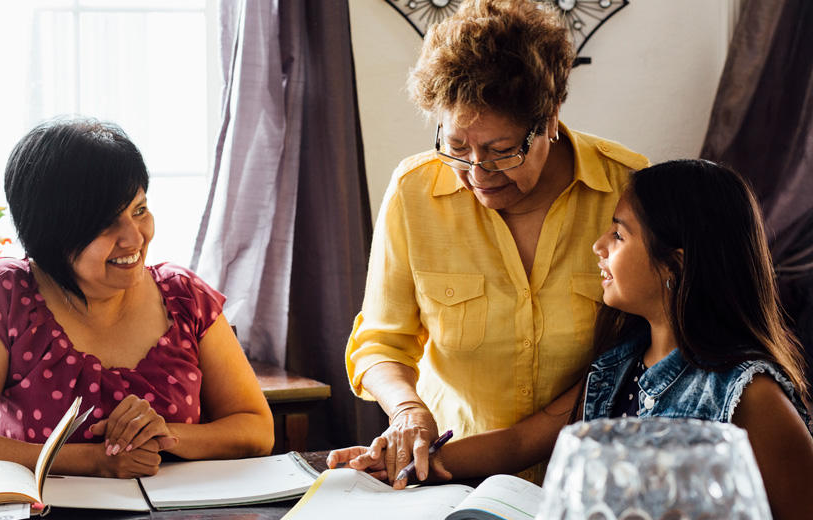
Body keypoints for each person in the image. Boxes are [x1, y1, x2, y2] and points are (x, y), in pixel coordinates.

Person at [331, 159, 813, 520]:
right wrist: (403, 461)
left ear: (677, 264)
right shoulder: (620, 365)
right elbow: (523, 440)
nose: (598, 246)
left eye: (619, 236)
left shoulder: (750, 396)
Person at [345, 0, 648, 484]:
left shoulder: (627, 189)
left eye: (502, 151)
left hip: (593, 478)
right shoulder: (414, 192)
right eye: (456, 147)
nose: (476, 173)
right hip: (452, 477)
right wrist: (406, 410)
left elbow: (650, 341)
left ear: (549, 118)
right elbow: (381, 340)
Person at [0, 118, 274, 479]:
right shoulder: (1, 297)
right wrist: (95, 460)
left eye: (139, 210)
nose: (134, 238)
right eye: (107, 224)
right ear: (51, 232)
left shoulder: (184, 296)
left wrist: (162, 435)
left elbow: (257, 429)